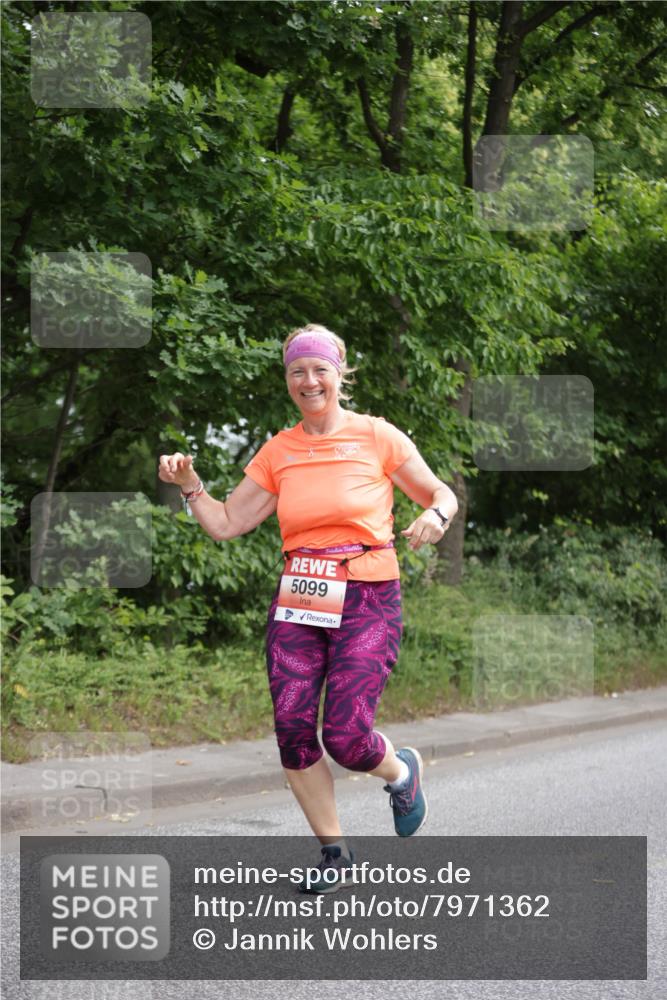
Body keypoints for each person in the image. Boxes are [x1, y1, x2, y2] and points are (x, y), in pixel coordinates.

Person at [158, 323, 458, 893]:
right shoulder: (281, 450)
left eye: (320, 368)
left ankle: (400, 772)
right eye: (298, 370)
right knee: (294, 729)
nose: (309, 379)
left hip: (369, 592)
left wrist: (435, 517)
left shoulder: (378, 436)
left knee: (346, 735)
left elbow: (441, 493)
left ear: (340, 374)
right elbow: (227, 523)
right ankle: (334, 852)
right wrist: (192, 484)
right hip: (300, 595)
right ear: (289, 381)